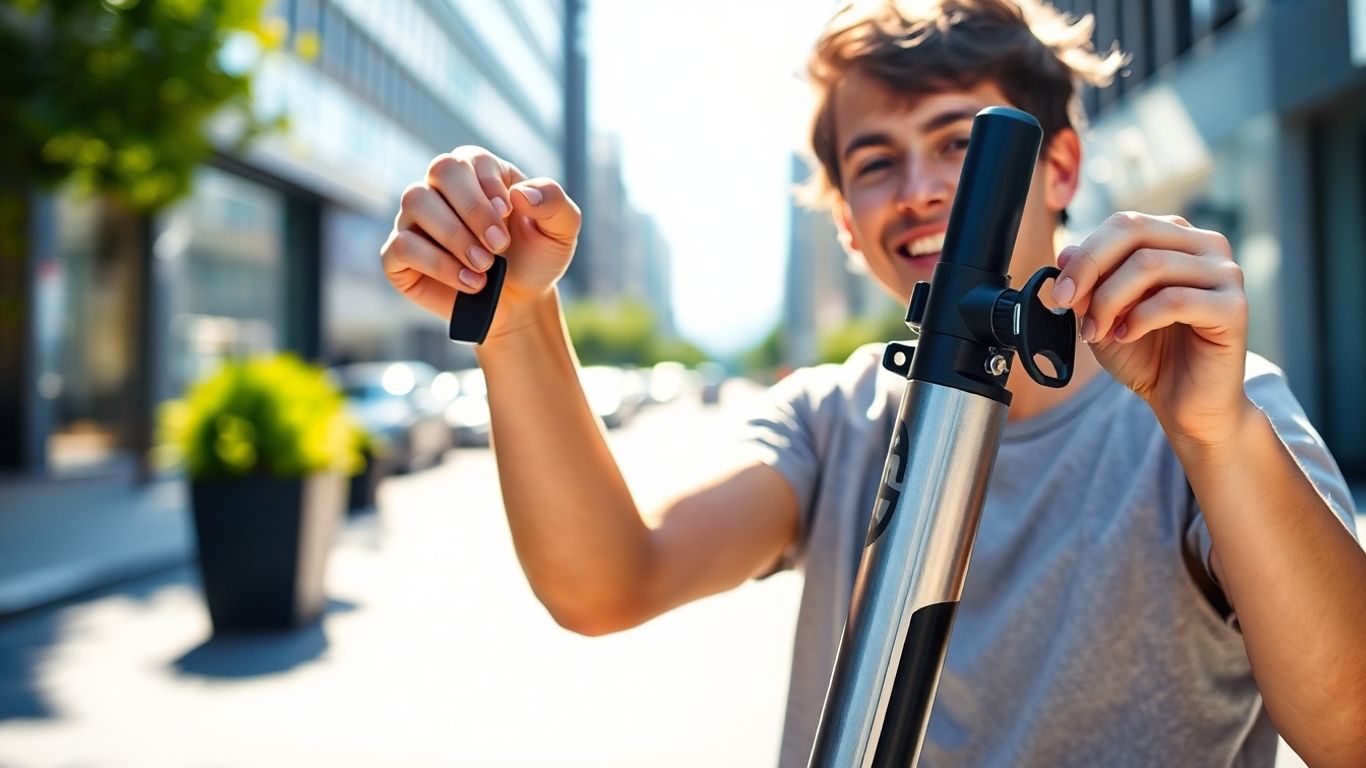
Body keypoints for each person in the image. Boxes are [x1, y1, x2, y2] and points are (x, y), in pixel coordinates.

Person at [379, 1, 1366, 765]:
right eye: (875, 163)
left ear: (1059, 166)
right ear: (846, 223)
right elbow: (611, 580)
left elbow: (1350, 730)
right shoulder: (834, 418)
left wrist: (1216, 436)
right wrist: (515, 325)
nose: (921, 188)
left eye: (956, 143)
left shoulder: (1210, 408)